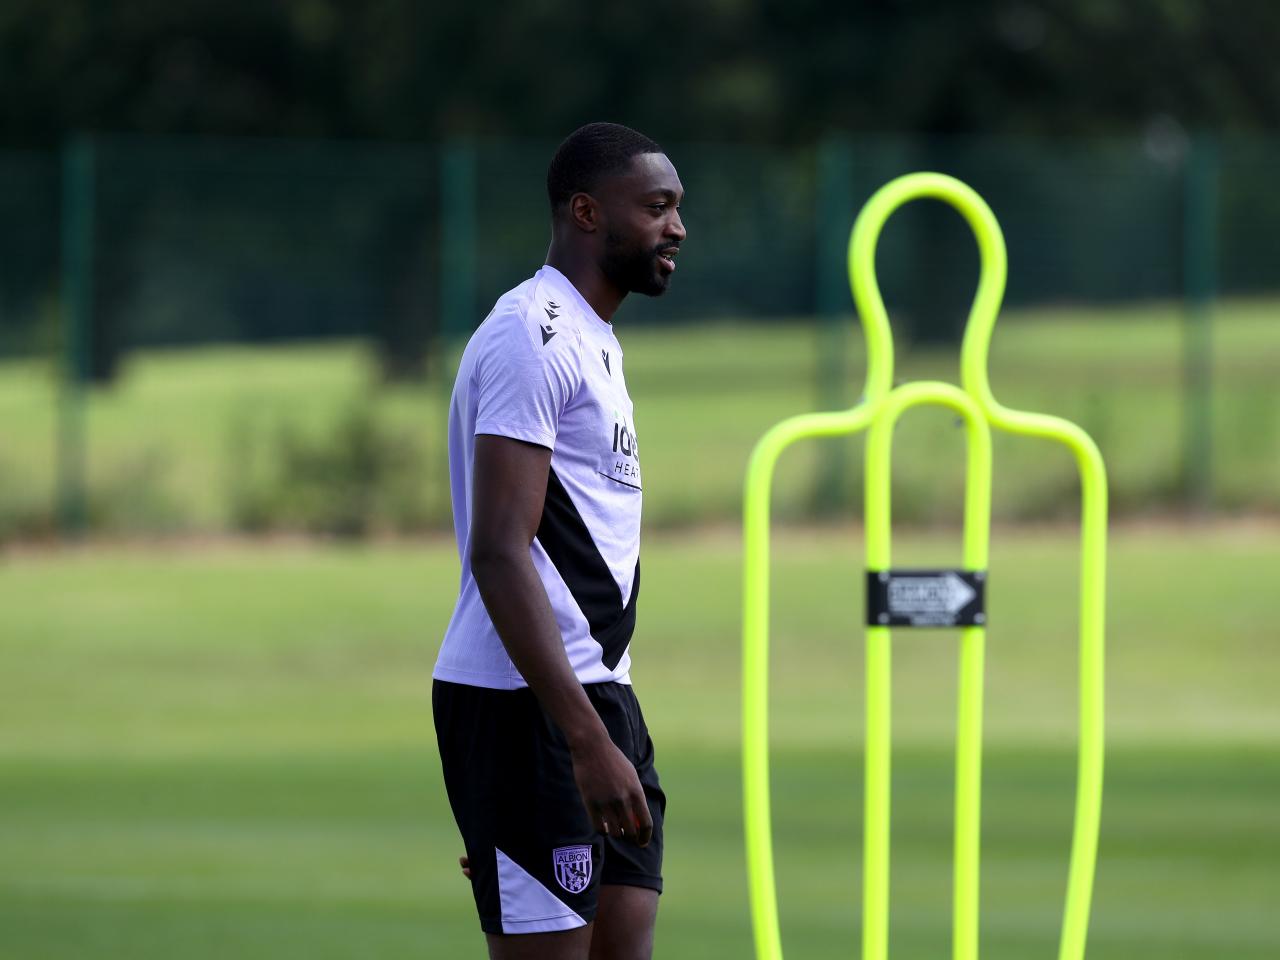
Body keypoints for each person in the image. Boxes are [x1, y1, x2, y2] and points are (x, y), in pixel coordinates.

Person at [432, 122, 686, 960]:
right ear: (586, 212)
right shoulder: (529, 335)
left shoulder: (593, 341)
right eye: (656, 207)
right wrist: (579, 742)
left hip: (599, 691)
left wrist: (599, 726)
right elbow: (501, 551)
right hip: (526, 704)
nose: (677, 227)